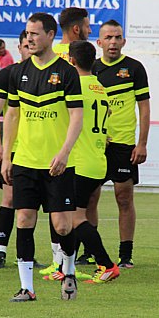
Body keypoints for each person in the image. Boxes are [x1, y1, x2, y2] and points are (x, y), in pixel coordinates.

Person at [1, 13, 83, 302]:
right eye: (27, 34)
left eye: (35, 33)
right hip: (25, 160)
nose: (29, 38)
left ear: (50, 35)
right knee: (24, 219)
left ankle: (69, 272)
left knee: (62, 225)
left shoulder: (67, 72)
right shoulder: (17, 72)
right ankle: (27, 287)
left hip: (57, 164)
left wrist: (64, 153)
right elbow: (11, 114)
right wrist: (7, 156)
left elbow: (77, 116)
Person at [45, 40, 120, 285]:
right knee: (75, 214)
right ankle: (63, 266)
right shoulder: (100, 86)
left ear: (72, 61)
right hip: (97, 159)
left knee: (75, 218)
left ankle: (106, 265)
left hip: (81, 161)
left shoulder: (75, 85)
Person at [92, 19, 150, 268]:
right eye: (108, 37)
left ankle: (125, 254)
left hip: (124, 144)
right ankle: (89, 250)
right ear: (99, 42)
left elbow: (144, 109)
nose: (113, 42)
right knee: (90, 197)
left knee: (123, 197)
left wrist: (142, 143)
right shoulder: (90, 68)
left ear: (123, 41)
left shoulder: (135, 68)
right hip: (94, 144)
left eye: (117, 37)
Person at [0, 30, 45, 269]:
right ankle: (0, 252)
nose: (28, 48)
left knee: (33, 206)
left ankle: (29, 255)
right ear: (19, 47)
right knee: (9, 199)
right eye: (24, 45)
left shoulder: (47, 74)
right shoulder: (8, 75)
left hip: (40, 151)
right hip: (15, 150)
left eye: (31, 43)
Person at [41, 6, 92, 274]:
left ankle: (57, 259)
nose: (90, 30)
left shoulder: (44, 56)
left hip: (46, 143)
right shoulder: (78, 61)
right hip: (72, 146)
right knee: (72, 207)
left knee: (57, 207)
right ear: (76, 29)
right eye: (87, 25)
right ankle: (71, 260)